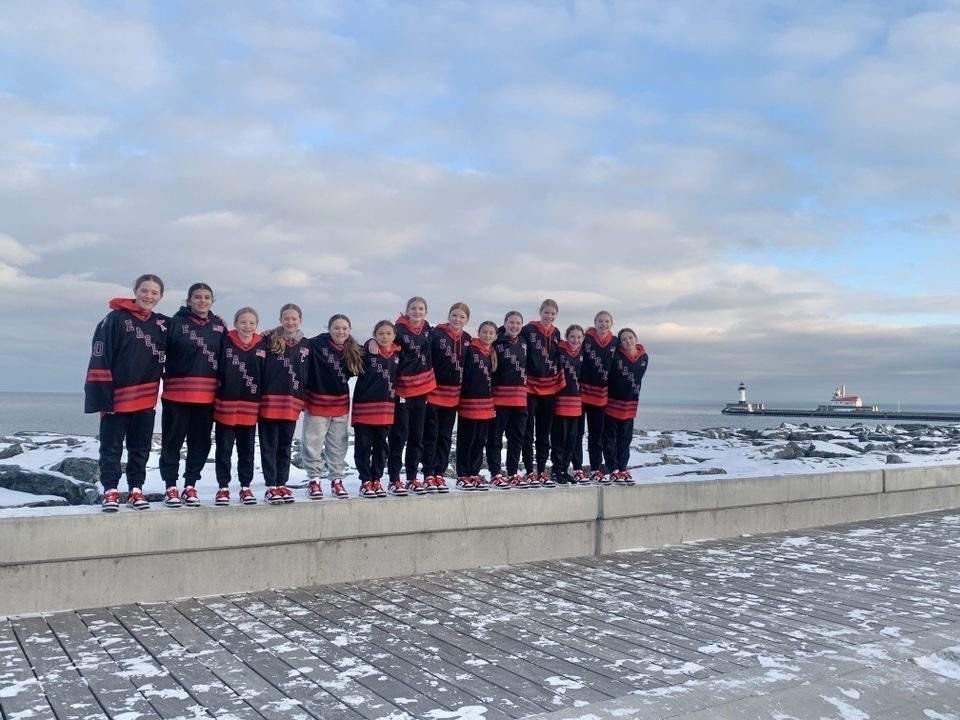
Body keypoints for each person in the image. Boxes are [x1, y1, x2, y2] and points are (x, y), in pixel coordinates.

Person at [84, 274, 167, 512]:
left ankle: (136, 490)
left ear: (160, 296)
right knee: (111, 446)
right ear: (135, 290)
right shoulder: (114, 319)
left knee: (140, 447)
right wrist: (101, 394)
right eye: (144, 290)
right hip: (116, 395)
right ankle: (110, 490)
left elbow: (189, 333)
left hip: (147, 396)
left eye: (154, 293)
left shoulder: (162, 324)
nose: (149, 296)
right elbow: (100, 355)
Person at [158, 282, 225, 508]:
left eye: (207, 297)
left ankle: (190, 485)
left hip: (207, 398)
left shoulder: (219, 326)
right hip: (176, 395)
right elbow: (155, 354)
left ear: (212, 301)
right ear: (189, 300)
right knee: (172, 443)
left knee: (200, 444)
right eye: (197, 297)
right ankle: (170, 486)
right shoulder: (173, 323)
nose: (202, 301)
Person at [303, 314, 363, 501]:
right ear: (329, 328)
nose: (340, 331)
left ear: (349, 330)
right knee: (313, 442)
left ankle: (337, 480)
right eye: (337, 328)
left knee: (338, 445)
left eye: (345, 328)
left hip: (340, 403)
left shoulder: (353, 349)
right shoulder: (314, 344)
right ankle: (314, 480)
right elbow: (292, 341)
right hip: (316, 401)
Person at [213, 307, 266, 506]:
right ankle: (223, 487)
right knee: (224, 448)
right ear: (235, 323)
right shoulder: (225, 341)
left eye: (252, 323)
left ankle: (245, 486)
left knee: (247, 449)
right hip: (226, 403)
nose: (247, 326)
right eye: (243, 322)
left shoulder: (263, 344)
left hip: (251, 405)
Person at [259, 304, 309, 505]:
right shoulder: (268, 339)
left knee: (285, 446)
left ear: (300, 320)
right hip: (269, 400)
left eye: (294, 318)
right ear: (280, 320)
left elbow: (309, 374)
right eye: (286, 318)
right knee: (268, 445)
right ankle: (271, 485)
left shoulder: (307, 344)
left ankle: (282, 483)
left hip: (292, 402)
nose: (290, 322)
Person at [387, 296, 437, 493]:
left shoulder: (428, 329)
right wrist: (372, 343)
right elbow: (385, 342)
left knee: (418, 436)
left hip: (423, 389)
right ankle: (394, 478)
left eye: (421, 308)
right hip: (403, 389)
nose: (417, 311)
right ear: (407, 310)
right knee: (399, 436)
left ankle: (412, 477)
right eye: (413, 308)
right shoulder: (397, 329)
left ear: (426, 311)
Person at [421, 302, 470, 494]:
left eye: (462, 317)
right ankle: (428, 474)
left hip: (453, 397)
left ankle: (439, 473)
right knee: (430, 435)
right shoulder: (435, 334)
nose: (457, 319)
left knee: (445, 437)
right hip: (433, 392)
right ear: (449, 315)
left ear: (467, 320)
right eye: (455, 315)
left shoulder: (467, 339)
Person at [353, 320, 401, 498]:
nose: (384, 336)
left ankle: (377, 479)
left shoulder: (397, 356)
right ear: (374, 335)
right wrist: (369, 343)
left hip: (386, 409)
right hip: (364, 407)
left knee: (381, 446)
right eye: (380, 333)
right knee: (363, 446)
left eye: (388, 333)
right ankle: (365, 481)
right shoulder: (367, 352)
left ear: (394, 336)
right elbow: (351, 347)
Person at [520, 299, 564, 486]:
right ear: (540, 312)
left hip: (549, 389)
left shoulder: (556, 332)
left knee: (544, 433)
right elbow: (512, 338)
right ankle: (529, 470)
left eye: (553, 313)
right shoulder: (528, 330)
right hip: (530, 386)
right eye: (546, 312)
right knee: (527, 431)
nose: (549, 316)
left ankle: (541, 470)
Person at [486, 311, 531, 489]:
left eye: (518, 323)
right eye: (511, 322)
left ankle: (512, 472)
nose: (515, 326)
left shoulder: (524, 342)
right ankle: (495, 473)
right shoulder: (495, 343)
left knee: (516, 439)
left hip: (520, 400)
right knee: (495, 439)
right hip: (499, 399)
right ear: (504, 323)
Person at [603, 328, 649, 485]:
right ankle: (612, 469)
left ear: (636, 338)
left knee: (625, 438)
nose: (628, 341)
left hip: (630, 405)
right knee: (609, 438)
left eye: (630, 337)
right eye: (624, 339)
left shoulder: (644, 357)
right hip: (612, 403)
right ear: (620, 342)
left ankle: (623, 467)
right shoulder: (616, 355)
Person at [456, 321, 497, 490]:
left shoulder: (492, 353)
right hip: (469, 402)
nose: (487, 335)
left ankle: (474, 473)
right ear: (479, 332)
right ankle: (463, 475)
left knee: (480, 440)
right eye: (484, 332)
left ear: (495, 336)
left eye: (491, 333)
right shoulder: (470, 349)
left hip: (486, 403)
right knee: (467, 439)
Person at [581, 310, 618, 483]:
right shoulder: (586, 339)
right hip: (581, 393)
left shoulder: (615, 342)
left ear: (611, 323)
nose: (603, 324)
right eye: (600, 321)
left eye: (606, 321)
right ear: (595, 323)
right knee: (577, 434)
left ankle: (596, 468)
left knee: (597, 435)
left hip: (602, 396)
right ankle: (577, 469)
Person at [551, 324, 584, 484]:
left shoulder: (583, 354)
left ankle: (565, 469)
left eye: (579, 337)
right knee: (559, 438)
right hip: (560, 400)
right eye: (572, 336)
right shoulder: (559, 351)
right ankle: (556, 470)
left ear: (583, 339)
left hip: (576, 402)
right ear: (567, 337)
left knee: (572, 439)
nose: (575, 340)